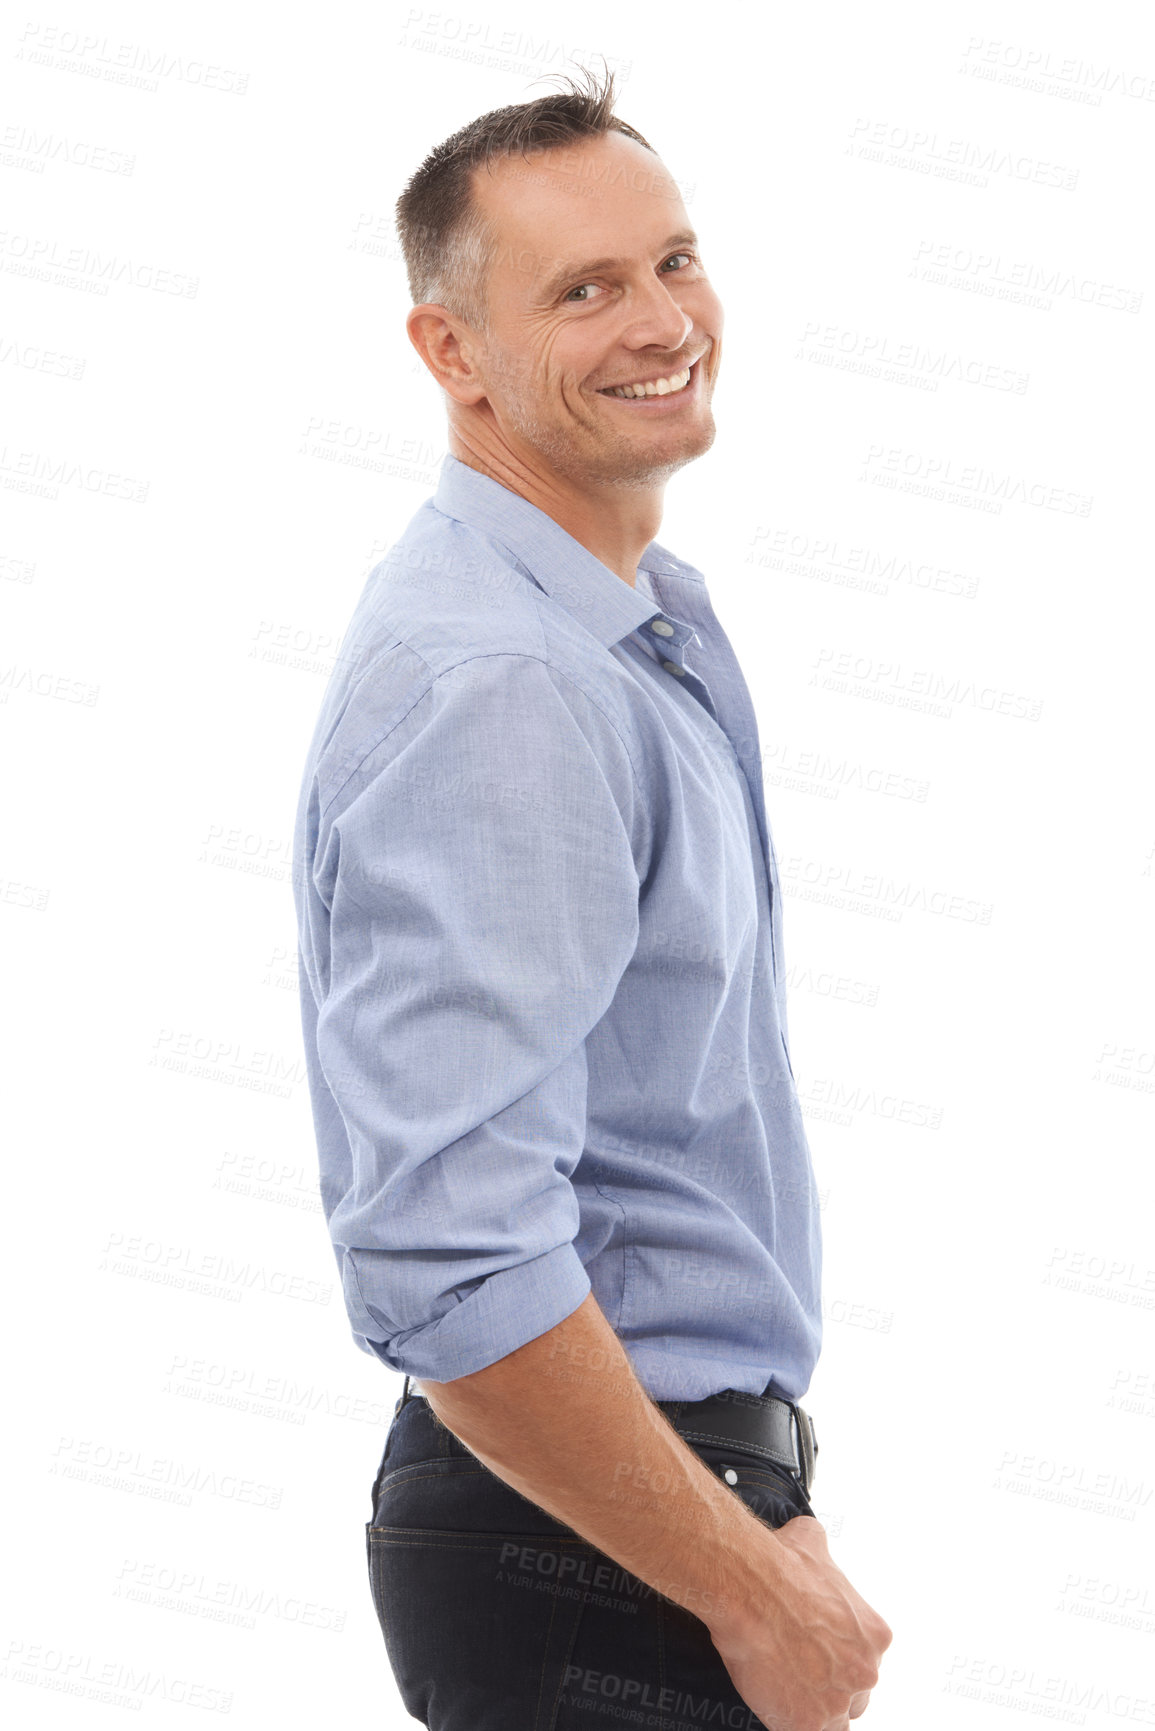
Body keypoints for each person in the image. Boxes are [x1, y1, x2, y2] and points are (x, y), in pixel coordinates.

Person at [291, 61, 892, 1731]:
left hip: (643, 1501)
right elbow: (450, 1259)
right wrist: (740, 1570)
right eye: (583, 289)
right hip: (582, 1540)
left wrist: (759, 1493)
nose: (660, 320)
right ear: (451, 354)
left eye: (673, 260)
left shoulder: (624, 626)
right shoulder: (507, 681)